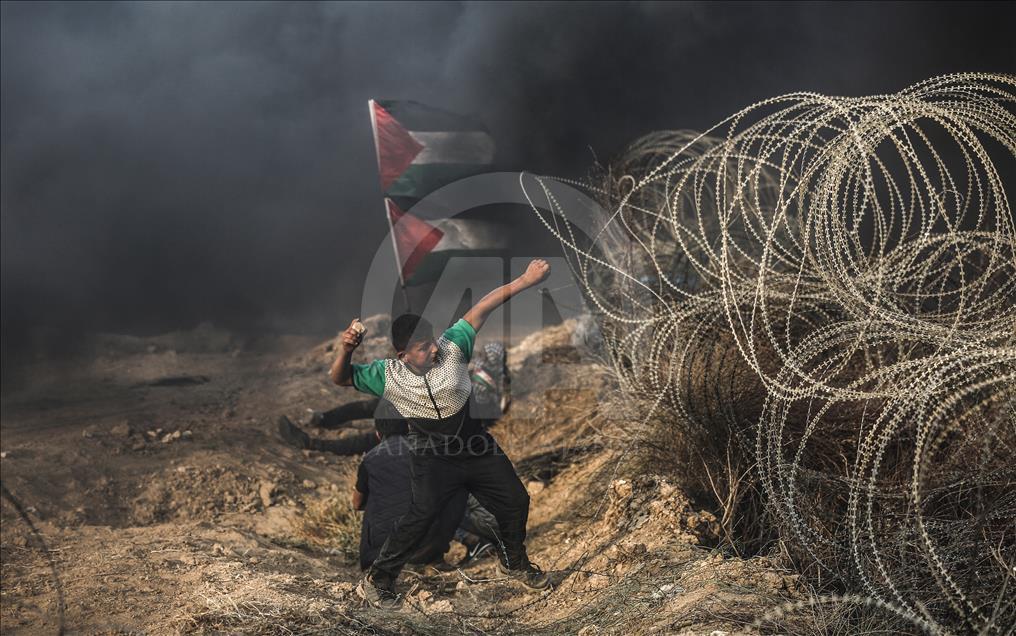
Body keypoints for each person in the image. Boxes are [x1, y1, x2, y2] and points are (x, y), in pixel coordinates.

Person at [333, 259, 552, 609]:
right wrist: (346, 349)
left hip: (476, 446)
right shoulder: (385, 374)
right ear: (403, 355)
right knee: (420, 516)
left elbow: (484, 305)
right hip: (432, 456)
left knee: (516, 501)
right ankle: (380, 578)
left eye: (431, 341)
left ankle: (514, 561)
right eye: (423, 347)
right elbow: (340, 378)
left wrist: (526, 279)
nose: (433, 349)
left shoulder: (453, 346)